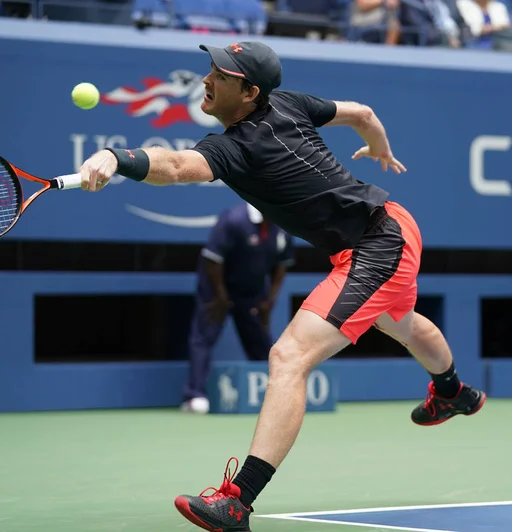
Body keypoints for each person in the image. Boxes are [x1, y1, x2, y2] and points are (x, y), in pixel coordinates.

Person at [78, 41, 487, 532]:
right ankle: (454, 392)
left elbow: (177, 167)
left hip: (378, 244)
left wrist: (115, 157)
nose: (205, 80)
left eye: (221, 76)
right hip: (386, 230)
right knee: (400, 323)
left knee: (289, 357)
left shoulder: (237, 146)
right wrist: (378, 144)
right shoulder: (288, 103)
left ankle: (237, 501)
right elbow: (363, 112)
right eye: (210, 69)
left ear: (250, 91)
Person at [182, 202, 295, 414]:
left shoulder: (283, 226)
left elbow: (281, 266)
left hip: (251, 291)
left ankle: (277, 394)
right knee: (204, 337)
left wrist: (268, 302)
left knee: (260, 341)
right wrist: (221, 298)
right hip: (215, 289)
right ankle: (194, 395)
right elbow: (212, 260)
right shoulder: (233, 219)